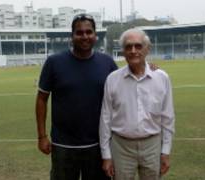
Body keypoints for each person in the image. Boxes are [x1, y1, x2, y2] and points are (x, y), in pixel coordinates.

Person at [35, 13, 117, 180]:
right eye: (79, 33)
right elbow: (41, 98)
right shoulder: (54, 62)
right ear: (71, 36)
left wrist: (148, 68)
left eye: (89, 32)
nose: (84, 36)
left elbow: (127, 83)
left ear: (95, 35)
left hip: (98, 145)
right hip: (63, 145)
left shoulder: (107, 63)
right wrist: (42, 136)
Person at [99, 28, 175, 180]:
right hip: (121, 147)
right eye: (128, 46)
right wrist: (106, 155)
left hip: (152, 145)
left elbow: (168, 117)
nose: (133, 51)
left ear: (147, 49)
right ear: (123, 51)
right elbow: (105, 119)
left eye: (138, 46)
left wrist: (165, 151)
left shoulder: (161, 78)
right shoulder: (113, 79)